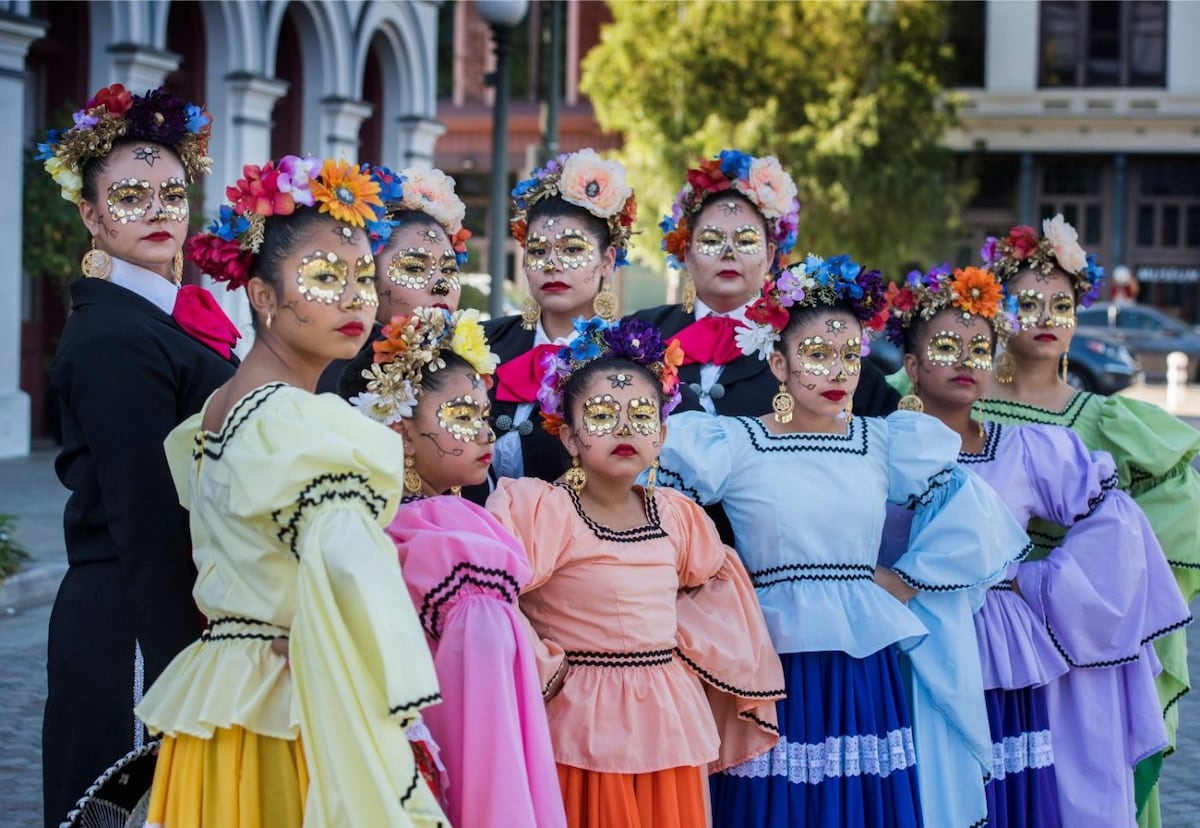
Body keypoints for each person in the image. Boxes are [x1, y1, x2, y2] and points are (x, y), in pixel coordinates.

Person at [655, 255, 1029, 828]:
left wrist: (905, 579)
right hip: (767, 655)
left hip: (863, 658)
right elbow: (655, 507)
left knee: (858, 803)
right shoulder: (735, 443)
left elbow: (971, 507)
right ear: (778, 363)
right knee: (774, 803)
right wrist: (709, 593)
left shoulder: (884, 441)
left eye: (849, 356)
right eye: (817, 355)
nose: (836, 371)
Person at [134, 155, 447, 826]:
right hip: (287, 703)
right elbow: (351, 572)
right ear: (264, 295)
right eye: (326, 278)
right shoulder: (302, 424)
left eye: (364, 278)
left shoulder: (221, 410)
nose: (356, 299)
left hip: (225, 694)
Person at [883, 264, 1189, 826]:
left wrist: (1034, 580)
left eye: (979, 349)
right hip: (903, 638)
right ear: (912, 364)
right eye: (947, 346)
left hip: (996, 645)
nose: (965, 362)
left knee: (1004, 793)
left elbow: (1114, 517)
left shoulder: (1025, 450)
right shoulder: (874, 446)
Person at [487, 317, 784, 828]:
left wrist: (683, 651)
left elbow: (716, 588)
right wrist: (541, 663)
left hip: (665, 716)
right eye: (602, 415)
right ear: (570, 436)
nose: (625, 428)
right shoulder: (541, 510)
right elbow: (492, 597)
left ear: (662, 435)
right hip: (576, 721)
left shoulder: (677, 516)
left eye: (641, 415)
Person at [39, 83, 240, 828]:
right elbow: (144, 510)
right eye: (129, 195)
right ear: (90, 215)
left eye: (171, 192)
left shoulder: (160, 318)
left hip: (163, 601)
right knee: (119, 813)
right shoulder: (115, 336)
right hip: (132, 616)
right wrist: (179, 664)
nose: (158, 210)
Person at [974, 216, 1200, 827]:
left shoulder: (1106, 419)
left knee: (1077, 789)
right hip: (978, 629)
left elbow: (1176, 517)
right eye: (1028, 302)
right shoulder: (952, 398)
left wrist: (1070, 573)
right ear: (996, 312)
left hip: (1080, 639)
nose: (1046, 316)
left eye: (1061, 304)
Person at [340, 306, 566, 827]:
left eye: (484, 416)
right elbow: (487, 739)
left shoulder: (372, 528)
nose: (486, 435)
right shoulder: (456, 550)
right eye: (462, 417)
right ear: (399, 431)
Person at [633, 149, 899, 418]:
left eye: (746, 241)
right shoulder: (642, 334)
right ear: (687, 253)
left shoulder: (807, 337)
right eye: (712, 240)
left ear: (770, 254)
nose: (729, 253)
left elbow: (893, 419)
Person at [478, 148, 637, 496]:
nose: (552, 264)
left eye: (572, 249)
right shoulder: (483, 345)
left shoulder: (633, 360)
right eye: (537, 251)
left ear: (607, 260)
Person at [316, 164, 471, 394]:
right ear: (366, 277)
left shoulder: (468, 363)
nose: (441, 285)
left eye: (448, 270)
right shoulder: (331, 374)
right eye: (416, 268)